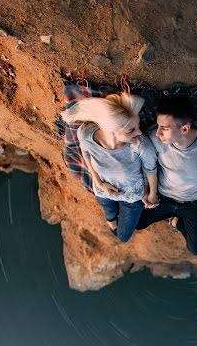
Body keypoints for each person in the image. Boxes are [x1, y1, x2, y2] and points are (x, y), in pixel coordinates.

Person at [136, 94, 197, 255]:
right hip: (164, 198)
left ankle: (177, 222)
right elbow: (145, 165)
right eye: (158, 125)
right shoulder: (154, 138)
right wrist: (147, 190)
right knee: (135, 223)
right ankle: (170, 214)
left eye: (165, 128)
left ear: (184, 129)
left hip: (194, 202)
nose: (158, 133)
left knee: (195, 249)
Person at [61, 93, 159, 242]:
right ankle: (111, 221)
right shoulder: (86, 133)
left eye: (138, 125)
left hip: (132, 198)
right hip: (103, 191)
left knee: (123, 237)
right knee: (108, 209)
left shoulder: (141, 145)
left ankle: (117, 226)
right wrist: (99, 183)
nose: (139, 132)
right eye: (131, 130)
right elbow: (86, 153)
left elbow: (151, 170)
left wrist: (151, 194)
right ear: (111, 130)